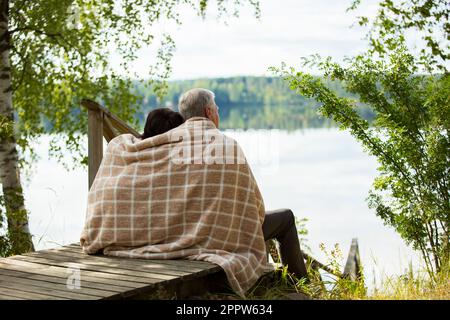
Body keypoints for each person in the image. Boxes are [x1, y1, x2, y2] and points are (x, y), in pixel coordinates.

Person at [178, 88, 308, 281]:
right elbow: (255, 206)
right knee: (286, 218)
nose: (218, 113)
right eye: (217, 109)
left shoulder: (169, 143)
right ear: (208, 112)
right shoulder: (227, 146)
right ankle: (299, 284)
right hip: (222, 237)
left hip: (183, 236)